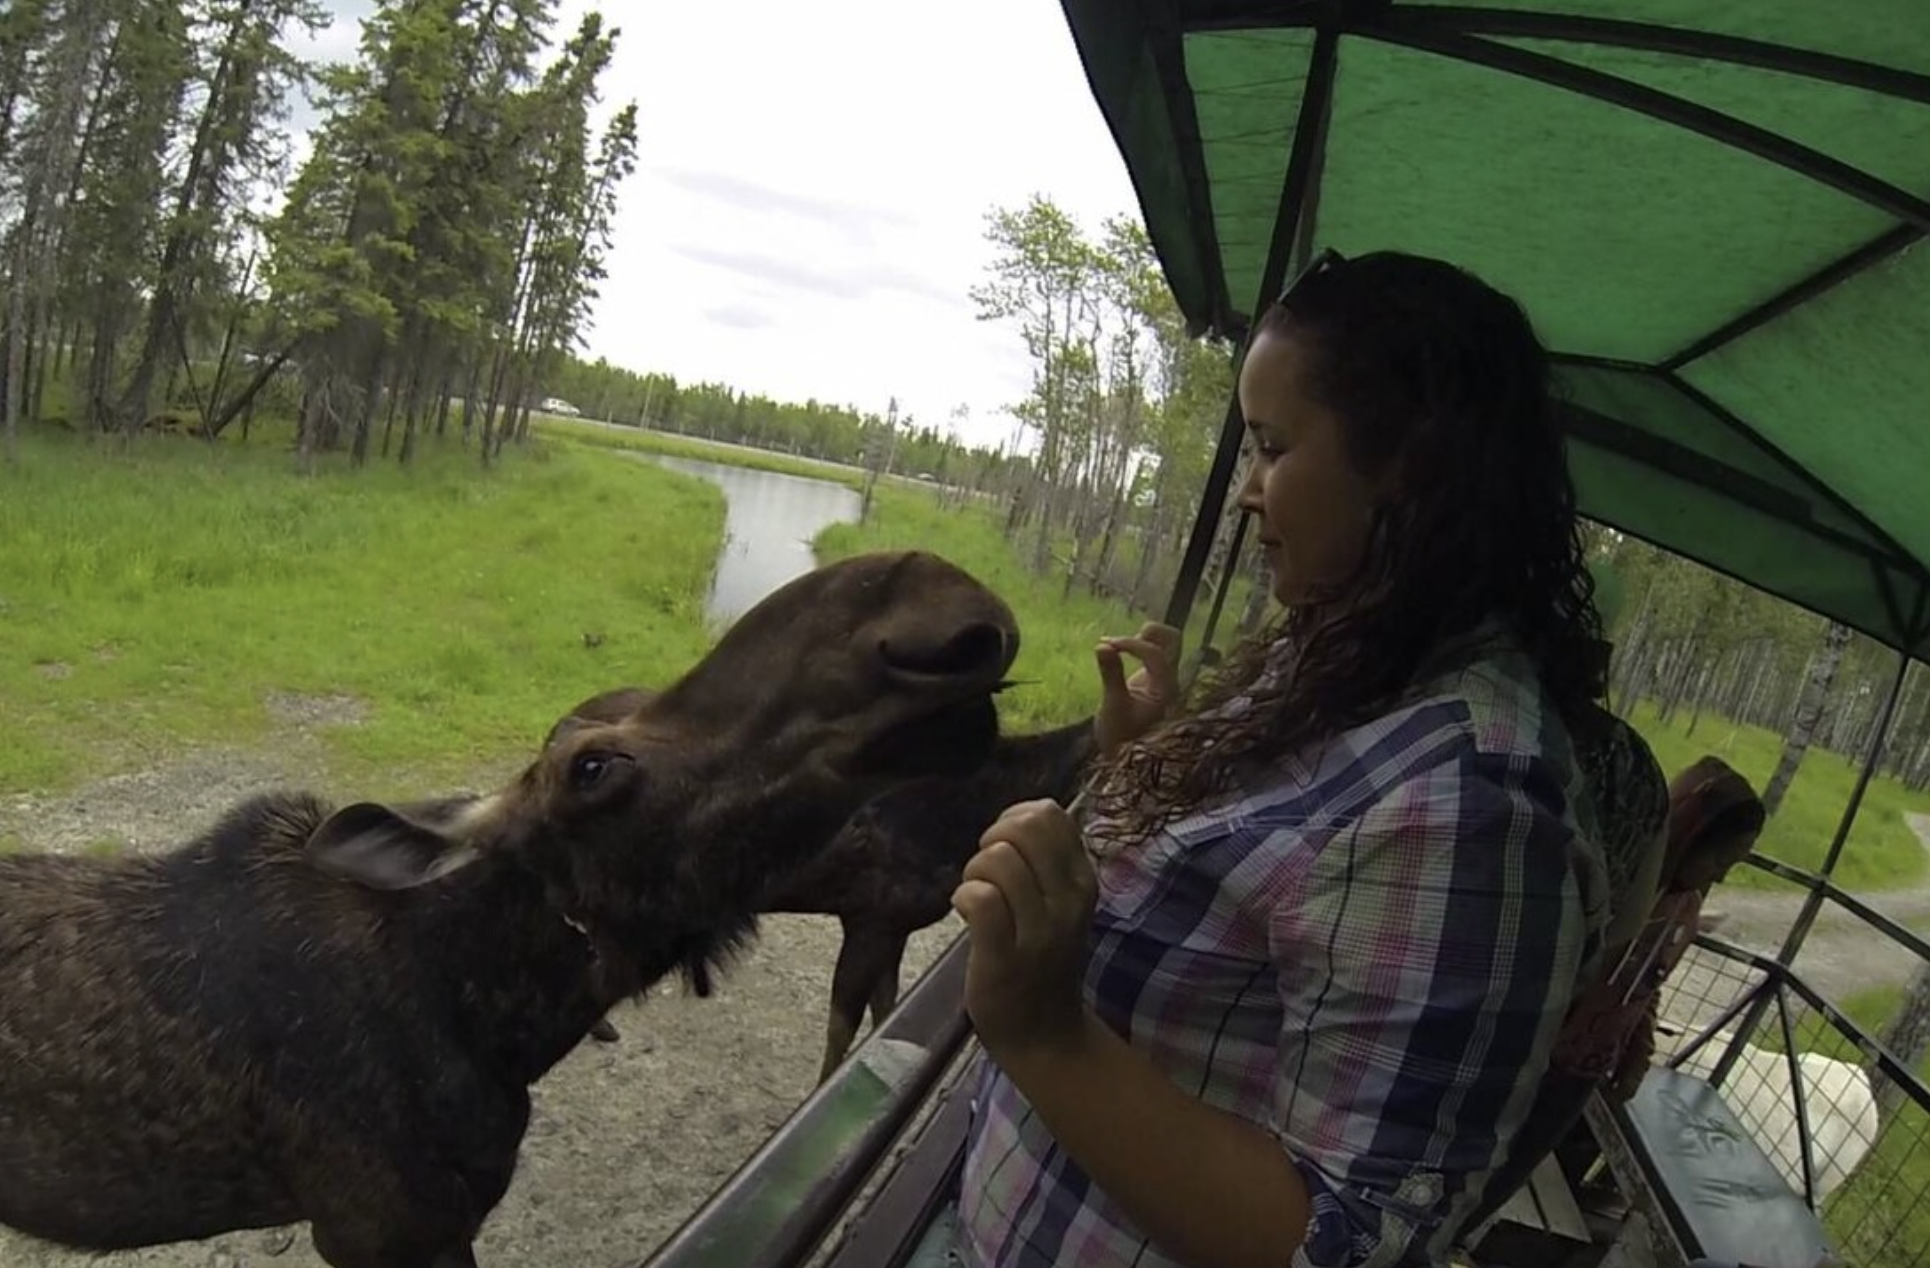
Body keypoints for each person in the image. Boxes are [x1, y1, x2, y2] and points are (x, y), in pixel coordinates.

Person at [948, 249, 1613, 1268]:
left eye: (1271, 446)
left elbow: (1349, 1241)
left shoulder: (1473, 805)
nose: (1248, 491)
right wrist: (1154, 752)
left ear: (1406, 467)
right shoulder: (1343, 648)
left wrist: (1045, 1031)